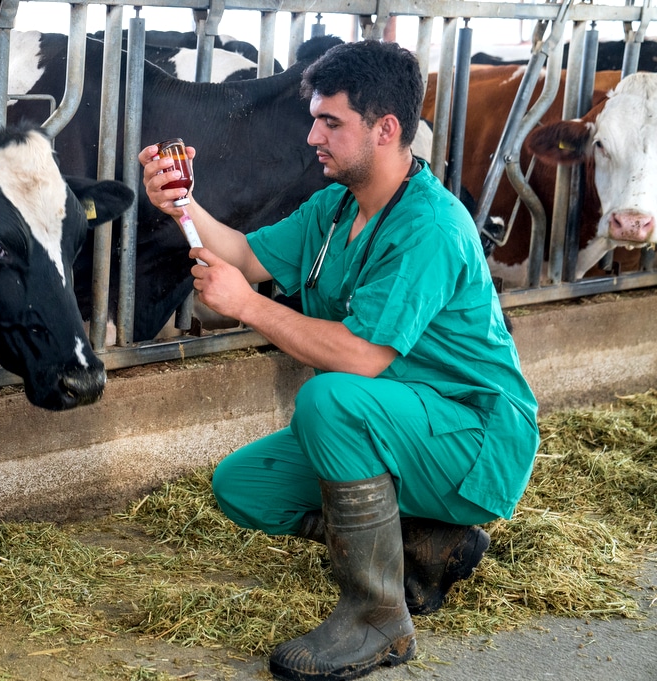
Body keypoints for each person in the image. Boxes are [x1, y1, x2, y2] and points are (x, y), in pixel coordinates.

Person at [138, 40, 539, 681]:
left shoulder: (429, 227)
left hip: (474, 436)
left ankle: (378, 618)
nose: (312, 136)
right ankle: (422, 544)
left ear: (385, 129)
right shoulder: (337, 208)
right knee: (245, 488)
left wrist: (248, 308)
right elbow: (244, 255)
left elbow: (358, 356)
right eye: (314, 118)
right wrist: (182, 204)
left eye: (331, 122)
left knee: (329, 400)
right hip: (397, 423)